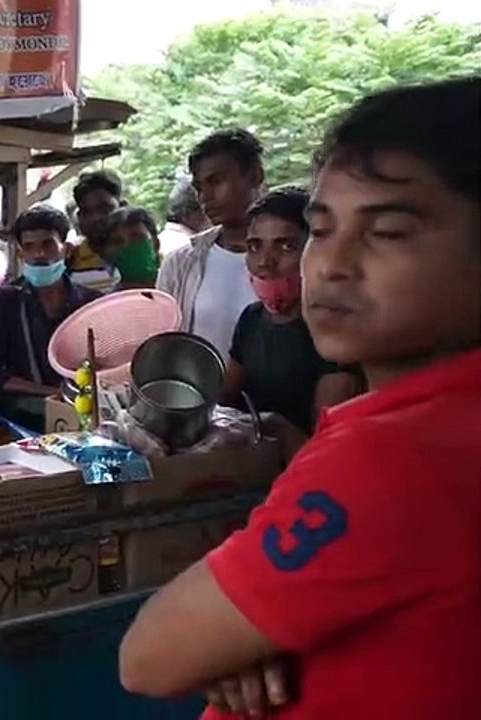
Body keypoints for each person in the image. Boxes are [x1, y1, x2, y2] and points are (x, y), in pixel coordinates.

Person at [120, 78, 480, 718]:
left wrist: (229, 637)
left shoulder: (393, 455)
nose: (329, 263)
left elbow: (149, 657)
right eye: (322, 228)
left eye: (389, 231)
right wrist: (254, 627)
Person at [221, 187, 360, 434]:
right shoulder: (251, 319)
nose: (265, 262)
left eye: (286, 247)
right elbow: (225, 401)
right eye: (254, 247)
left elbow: (324, 450)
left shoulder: (334, 333)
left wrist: (277, 428)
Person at [0, 205, 99, 431]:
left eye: (47, 245)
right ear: (21, 254)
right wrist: (53, 394)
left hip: (81, 416)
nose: (39, 255)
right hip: (22, 419)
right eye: (29, 247)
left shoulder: (90, 302)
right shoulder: (8, 300)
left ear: (67, 250)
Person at [157, 129, 263, 362]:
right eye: (199, 187)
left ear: (255, 175)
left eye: (216, 181)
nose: (205, 196)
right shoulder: (181, 263)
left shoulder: (297, 259)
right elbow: (163, 342)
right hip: (197, 397)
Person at [68, 170, 125, 292]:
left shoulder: (145, 255)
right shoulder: (69, 263)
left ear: (123, 207)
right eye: (87, 211)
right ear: (79, 216)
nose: (96, 218)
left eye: (104, 208)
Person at [103, 206, 162, 290]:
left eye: (136, 237)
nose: (128, 246)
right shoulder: (109, 301)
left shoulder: (179, 289)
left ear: (156, 244)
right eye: (118, 241)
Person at [158, 178, 211, 257]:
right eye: (206, 210)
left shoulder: (162, 240)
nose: (209, 218)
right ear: (188, 213)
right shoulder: (190, 249)